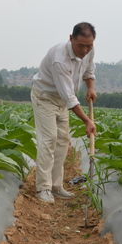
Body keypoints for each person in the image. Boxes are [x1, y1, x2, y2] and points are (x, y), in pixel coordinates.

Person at [31, 22, 97, 203]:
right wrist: (87, 121)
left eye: (88, 46)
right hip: (45, 97)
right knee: (49, 139)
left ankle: (56, 185)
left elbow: (89, 71)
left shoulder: (89, 50)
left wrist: (90, 87)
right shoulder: (59, 58)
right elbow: (69, 97)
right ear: (71, 39)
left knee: (62, 141)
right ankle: (43, 188)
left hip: (62, 100)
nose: (85, 50)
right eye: (80, 45)